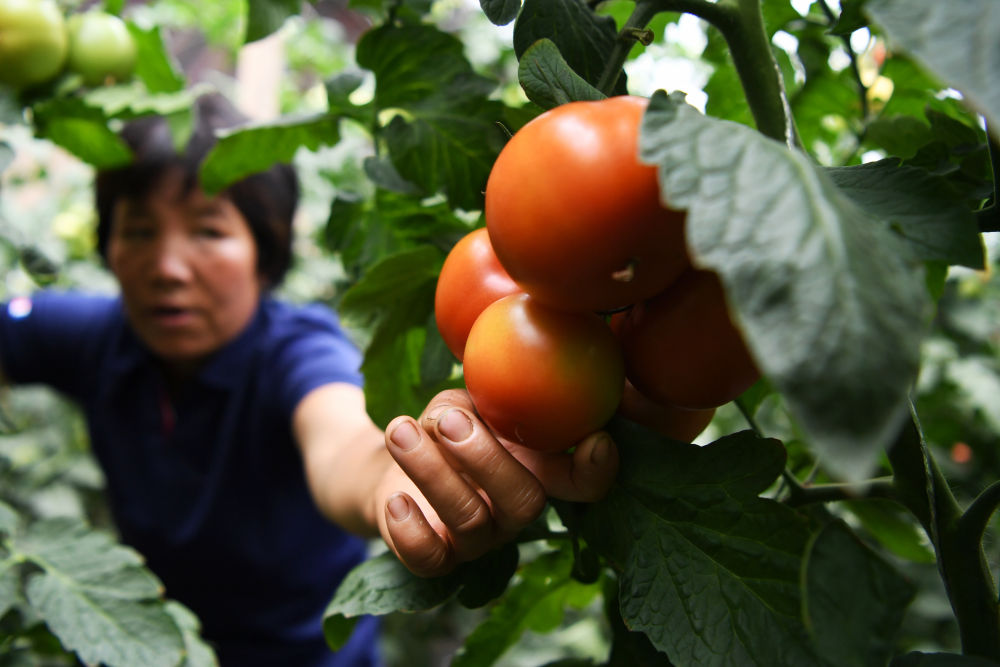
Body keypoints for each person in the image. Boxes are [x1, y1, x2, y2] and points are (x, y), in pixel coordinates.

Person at [0, 93, 619, 666]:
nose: (167, 267)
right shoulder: (98, 338)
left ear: (263, 251)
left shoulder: (295, 353)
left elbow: (347, 446)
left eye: (208, 231)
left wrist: (401, 485)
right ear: (107, 245)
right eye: (137, 230)